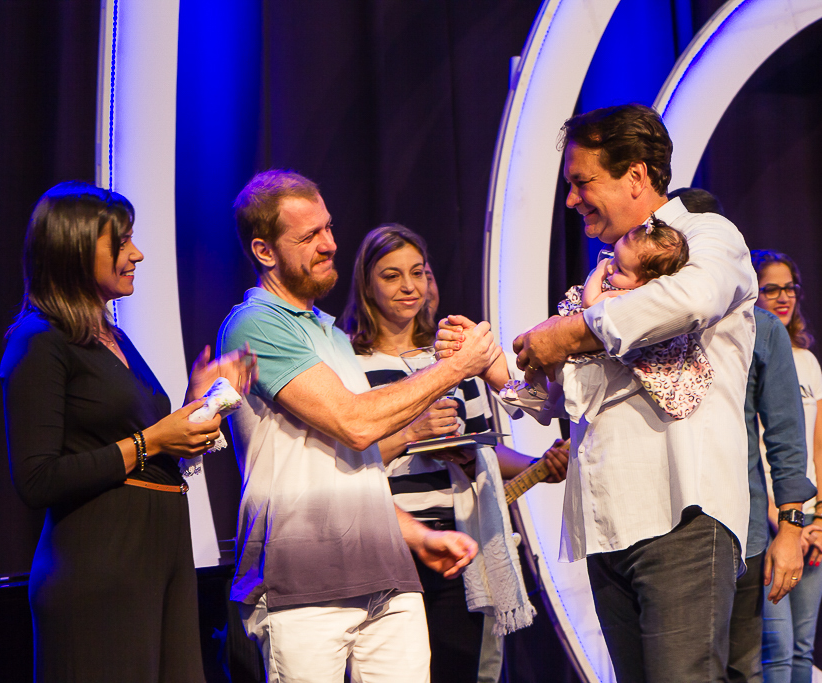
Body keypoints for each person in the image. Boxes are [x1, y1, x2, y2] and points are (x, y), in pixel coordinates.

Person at [499, 103, 757, 682]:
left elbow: (691, 298)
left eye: (582, 182)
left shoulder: (707, 235)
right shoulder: (607, 275)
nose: (572, 200)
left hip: (681, 515)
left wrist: (571, 331)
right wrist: (498, 361)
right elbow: (568, 396)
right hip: (609, 523)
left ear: (636, 175)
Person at [217, 170, 500, 682]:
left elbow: (353, 462)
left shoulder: (329, 333)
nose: (329, 244)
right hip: (304, 586)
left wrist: (415, 535)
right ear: (264, 251)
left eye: (327, 228)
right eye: (309, 236)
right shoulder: (255, 323)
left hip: (387, 575)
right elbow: (354, 423)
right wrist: (455, 368)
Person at [0, 181, 255, 682]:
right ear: (75, 249)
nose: (136, 254)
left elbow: (146, 446)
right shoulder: (39, 342)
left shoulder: (112, 336)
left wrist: (197, 403)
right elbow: (36, 478)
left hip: (161, 558)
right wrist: (152, 440)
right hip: (98, 569)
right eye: (121, 243)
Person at [341, 223, 569, 683]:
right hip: (386, 542)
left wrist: (538, 466)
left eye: (418, 272)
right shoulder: (348, 364)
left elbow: (485, 447)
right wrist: (412, 432)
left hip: (459, 542)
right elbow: (341, 460)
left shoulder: (453, 361)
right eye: (391, 275)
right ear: (365, 283)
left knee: (459, 668)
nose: (409, 286)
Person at [671, 189, 818, 682]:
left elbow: (787, 438)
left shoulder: (761, 327)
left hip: (743, 532)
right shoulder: (643, 319)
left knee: (742, 669)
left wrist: (792, 531)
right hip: (664, 531)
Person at [500, 217, 714, 424]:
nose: (611, 267)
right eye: (613, 259)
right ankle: (542, 400)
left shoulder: (624, 295)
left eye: (620, 269)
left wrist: (599, 270)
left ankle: (542, 400)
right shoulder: (625, 285)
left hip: (595, 355)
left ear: (645, 283)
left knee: (557, 363)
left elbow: (590, 303)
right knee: (547, 355)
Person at [752, 250, 822, 683]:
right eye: (771, 289)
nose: (783, 298)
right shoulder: (746, 357)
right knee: (778, 651)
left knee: (802, 649)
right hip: (768, 519)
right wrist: (785, 521)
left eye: (789, 288)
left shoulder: (807, 360)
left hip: (811, 519)